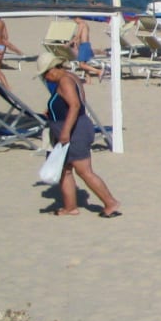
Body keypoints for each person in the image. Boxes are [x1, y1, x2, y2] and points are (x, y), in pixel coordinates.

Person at [38, 52, 120, 217]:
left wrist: (65, 131)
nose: (45, 78)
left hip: (75, 131)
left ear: (53, 69)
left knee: (84, 171)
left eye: (45, 74)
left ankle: (111, 203)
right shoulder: (70, 77)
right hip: (73, 128)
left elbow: (75, 105)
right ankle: (70, 207)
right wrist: (53, 110)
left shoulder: (65, 81)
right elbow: (75, 102)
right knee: (65, 170)